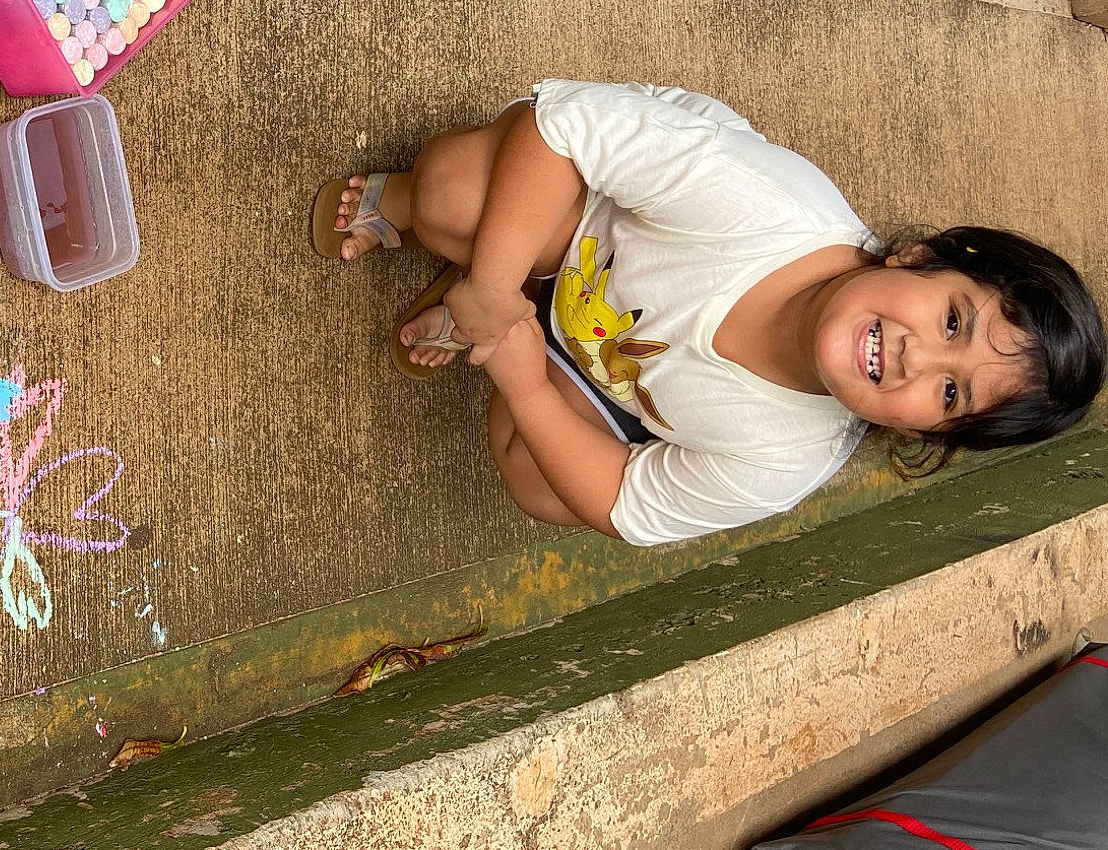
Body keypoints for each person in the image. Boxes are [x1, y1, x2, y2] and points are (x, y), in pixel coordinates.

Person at [312, 80, 1104, 546]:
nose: (914, 357)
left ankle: (505, 315)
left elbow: (629, 507)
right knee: (454, 189)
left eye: (951, 394)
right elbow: (559, 128)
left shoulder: (786, 462)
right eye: (954, 323)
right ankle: (470, 265)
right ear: (920, 257)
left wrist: (524, 386)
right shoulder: (768, 205)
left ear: (923, 433)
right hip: (585, 220)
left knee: (544, 484)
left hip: (599, 370)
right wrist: (495, 281)